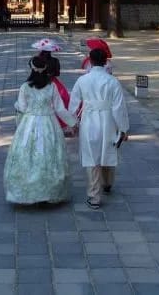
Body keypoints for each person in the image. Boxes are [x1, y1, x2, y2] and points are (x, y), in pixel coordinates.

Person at [3, 55, 78, 205]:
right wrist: (73, 122)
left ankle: (27, 191)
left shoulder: (25, 87)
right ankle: (49, 191)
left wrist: (17, 107)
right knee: (50, 154)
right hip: (48, 123)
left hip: (29, 123)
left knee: (27, 154)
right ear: (45, 68)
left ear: (31, 68)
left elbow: (22, 107)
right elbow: (60, 109)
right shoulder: (51, 86)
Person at [68, 48, 129, 209]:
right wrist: (123, 128)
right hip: (108, 119)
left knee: (91, 155)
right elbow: (119, 107)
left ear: (90, 60)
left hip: (89, 119)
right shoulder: (112, 81)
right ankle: (108, 182)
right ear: (105, 61)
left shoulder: (83, 80)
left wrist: (72, 123)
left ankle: (94, 196)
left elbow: (73, 103)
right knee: (109, 149)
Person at [31, 38, 73, 134]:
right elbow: (57, 73)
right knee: (62, 100)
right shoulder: (55, 60)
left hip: (38, 81)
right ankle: (62, 123)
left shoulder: (36, 60)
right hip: (53, 81)